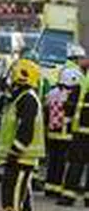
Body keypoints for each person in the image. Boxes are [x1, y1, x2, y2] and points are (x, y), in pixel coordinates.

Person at [0, 59, 45, 211]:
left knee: (13, 193)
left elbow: (26, 130)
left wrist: (14, 151)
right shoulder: (19, 97)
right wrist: (4, 92)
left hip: (21, 156)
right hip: (20, 157)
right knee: (22, 192)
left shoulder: (28, 99)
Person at [44, 66, 81, 197]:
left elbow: (46, 107)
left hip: (52, 133)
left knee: (52, 161)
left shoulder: (53, 92)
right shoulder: (71, 96)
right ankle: (57, 188)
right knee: (60, 162)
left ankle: (49, 187)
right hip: (65, 135)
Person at [60, 52, 89, 207]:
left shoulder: (82, 83)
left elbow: (70, 106)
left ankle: (68, 196)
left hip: (80, 132)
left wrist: (67, 126)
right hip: (81, 131)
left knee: (76, 164)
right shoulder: (82, 82)